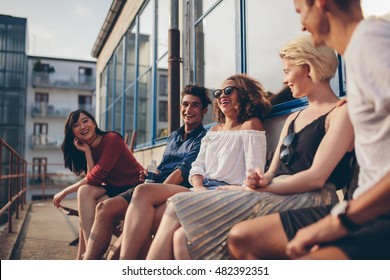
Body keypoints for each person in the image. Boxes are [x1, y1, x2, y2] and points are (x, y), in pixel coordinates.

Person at [146, 35, 355, 260]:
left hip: (308, 197)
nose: (285, 80)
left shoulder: (340, 112)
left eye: (287, 71)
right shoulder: (295, 117)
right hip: (276, 190)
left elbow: (315, 178)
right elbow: (272, 173)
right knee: (181, 237)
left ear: (307, 68)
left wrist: (259, 189)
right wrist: (255, 182)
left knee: (178, 203)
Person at [227, 0, 390, 260]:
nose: (302, 24)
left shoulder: (371, 43)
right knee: (243, 238)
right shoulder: (363, 54)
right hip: (360, 208)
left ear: (320, 3)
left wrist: (340, 223)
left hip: (375, 215)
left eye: (300, 12)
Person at [119, 73, 271, 259]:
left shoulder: (251, 125)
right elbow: (197, 167)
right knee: (142, 192)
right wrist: (198, 187)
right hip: (200, 189)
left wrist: (230, 188)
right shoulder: (214, 130)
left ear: (244, 94)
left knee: (150, 221)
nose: (222, 95)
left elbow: (254, 172)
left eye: (229, 91)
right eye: (218, 92)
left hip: (227, 192)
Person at [82, 84, 211, 259]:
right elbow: (165, 166)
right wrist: (153, 174)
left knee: (118, 250)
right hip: (151, 186)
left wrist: (154, 192)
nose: (189, 109)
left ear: (204, 111)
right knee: (104, 208)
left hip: (173, 189)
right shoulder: (173, 136)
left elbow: (181, 172)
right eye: (185, 104)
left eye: (195, 105)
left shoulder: (203, 138)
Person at [52, 109, 144, 259]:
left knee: (87, 207)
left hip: (134, 187)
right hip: (115, 188)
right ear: (72, 132)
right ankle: (90, 253)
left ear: (94, 123)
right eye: (76, 125)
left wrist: (64, 192)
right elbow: (92, 180)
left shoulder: (111, 139)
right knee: (84, 195)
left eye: (85, 121)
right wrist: (87, 152)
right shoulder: (89, 147)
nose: (82, 127)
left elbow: (95, 178)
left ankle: (89, 255)